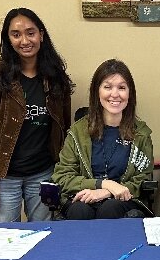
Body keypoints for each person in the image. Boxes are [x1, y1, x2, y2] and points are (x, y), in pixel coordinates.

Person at [0, 7, 74, 223]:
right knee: (7, 242)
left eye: (30, 32)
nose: (24, 40)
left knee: (44, 236)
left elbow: (63, 128)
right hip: (5, 177)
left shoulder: (55, 77)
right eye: (16, 34)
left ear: (41, 35)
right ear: (7, 39)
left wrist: (62, 174)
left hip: (44, 174)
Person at [52, 59, 154, 220]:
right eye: (107, 87)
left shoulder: (140, 134)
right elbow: (62, 177)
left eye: (121, 87)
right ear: (97, 92)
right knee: (80, 210)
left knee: (110, 208)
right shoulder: (77, 132)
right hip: (83, 198)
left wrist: (108, 191)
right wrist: (102, 184)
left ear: (130, 93)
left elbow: (142, 179)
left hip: (122, 201)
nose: (115, 94)